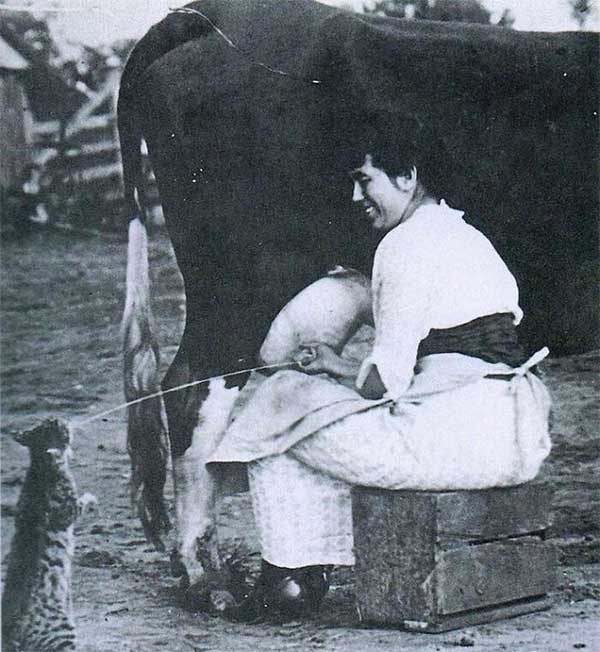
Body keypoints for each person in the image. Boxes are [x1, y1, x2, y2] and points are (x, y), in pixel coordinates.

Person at [208, 149, 552, 622]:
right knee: (305, 410)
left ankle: (289, 578)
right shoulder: (469, 236)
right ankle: (305, 568)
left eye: (365, 181)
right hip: (516, 438)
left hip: (453, 446)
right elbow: (449, 358)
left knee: (278, 405)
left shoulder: (403, 244)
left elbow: (384, 383)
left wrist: (329, 373)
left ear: (407, 177)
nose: (356, 196)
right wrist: (337, 366)